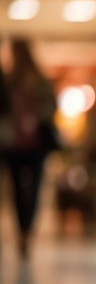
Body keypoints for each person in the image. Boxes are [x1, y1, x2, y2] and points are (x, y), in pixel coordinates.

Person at [1, 38, 59, 258]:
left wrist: (39, 117)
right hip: (12, 143)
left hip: (36, 144)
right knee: (16, 189)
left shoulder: (40, 81)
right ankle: (21, 231)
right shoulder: (8, 81)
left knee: (33, 189)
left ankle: (28, 231)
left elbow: (52, 106)